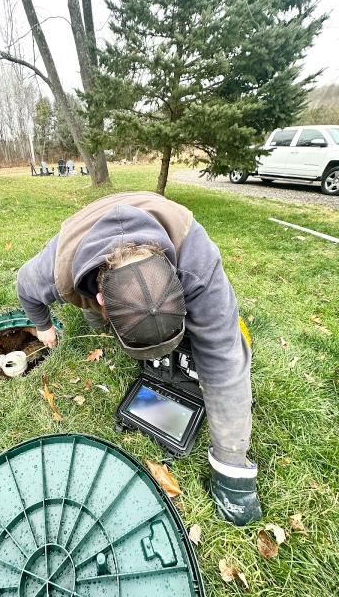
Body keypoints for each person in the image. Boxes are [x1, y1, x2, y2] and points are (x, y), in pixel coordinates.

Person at [16, 191, 262, 526]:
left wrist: (232, 468)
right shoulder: (53, 273)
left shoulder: (196, 261)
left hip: (162, 227)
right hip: (85, 238)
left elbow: (225, 359)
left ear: (181, 282)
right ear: (101, 299)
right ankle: (107, 318)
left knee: (223, 338)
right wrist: (43, 326)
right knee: (89, 316)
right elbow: (24, 289)